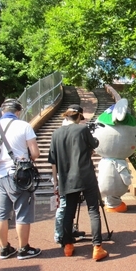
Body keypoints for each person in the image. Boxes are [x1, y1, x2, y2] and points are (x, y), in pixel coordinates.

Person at [0, 99, 42, 260]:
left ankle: (4, 249)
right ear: (18, 112)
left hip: (0, 176)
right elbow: (35, 153)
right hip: (20, 176)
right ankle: (24, 249)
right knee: (22, 211)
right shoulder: (24, 126)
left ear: (2, 111)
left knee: (1, 213)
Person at [48, 104, 108, 260]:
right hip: (86, 176)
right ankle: (97, 248)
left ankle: (68, 246)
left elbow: (53, 161)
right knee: (93, 211)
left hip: (67, 178)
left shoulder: (56, 134)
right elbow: (95, 144)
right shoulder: (82, 130)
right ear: (80, 117)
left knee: (69, 212)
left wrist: (55, 182)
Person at [53, 105, 83, 244]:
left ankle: (68, 230)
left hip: (65, 174)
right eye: (80, 118)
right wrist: (56, 181)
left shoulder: (60, 131)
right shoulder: (63, 132)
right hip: (66, 175)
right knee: (64, 206)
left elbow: (53, 160)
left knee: (69, 205)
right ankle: (60, 235)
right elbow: (54, 160)